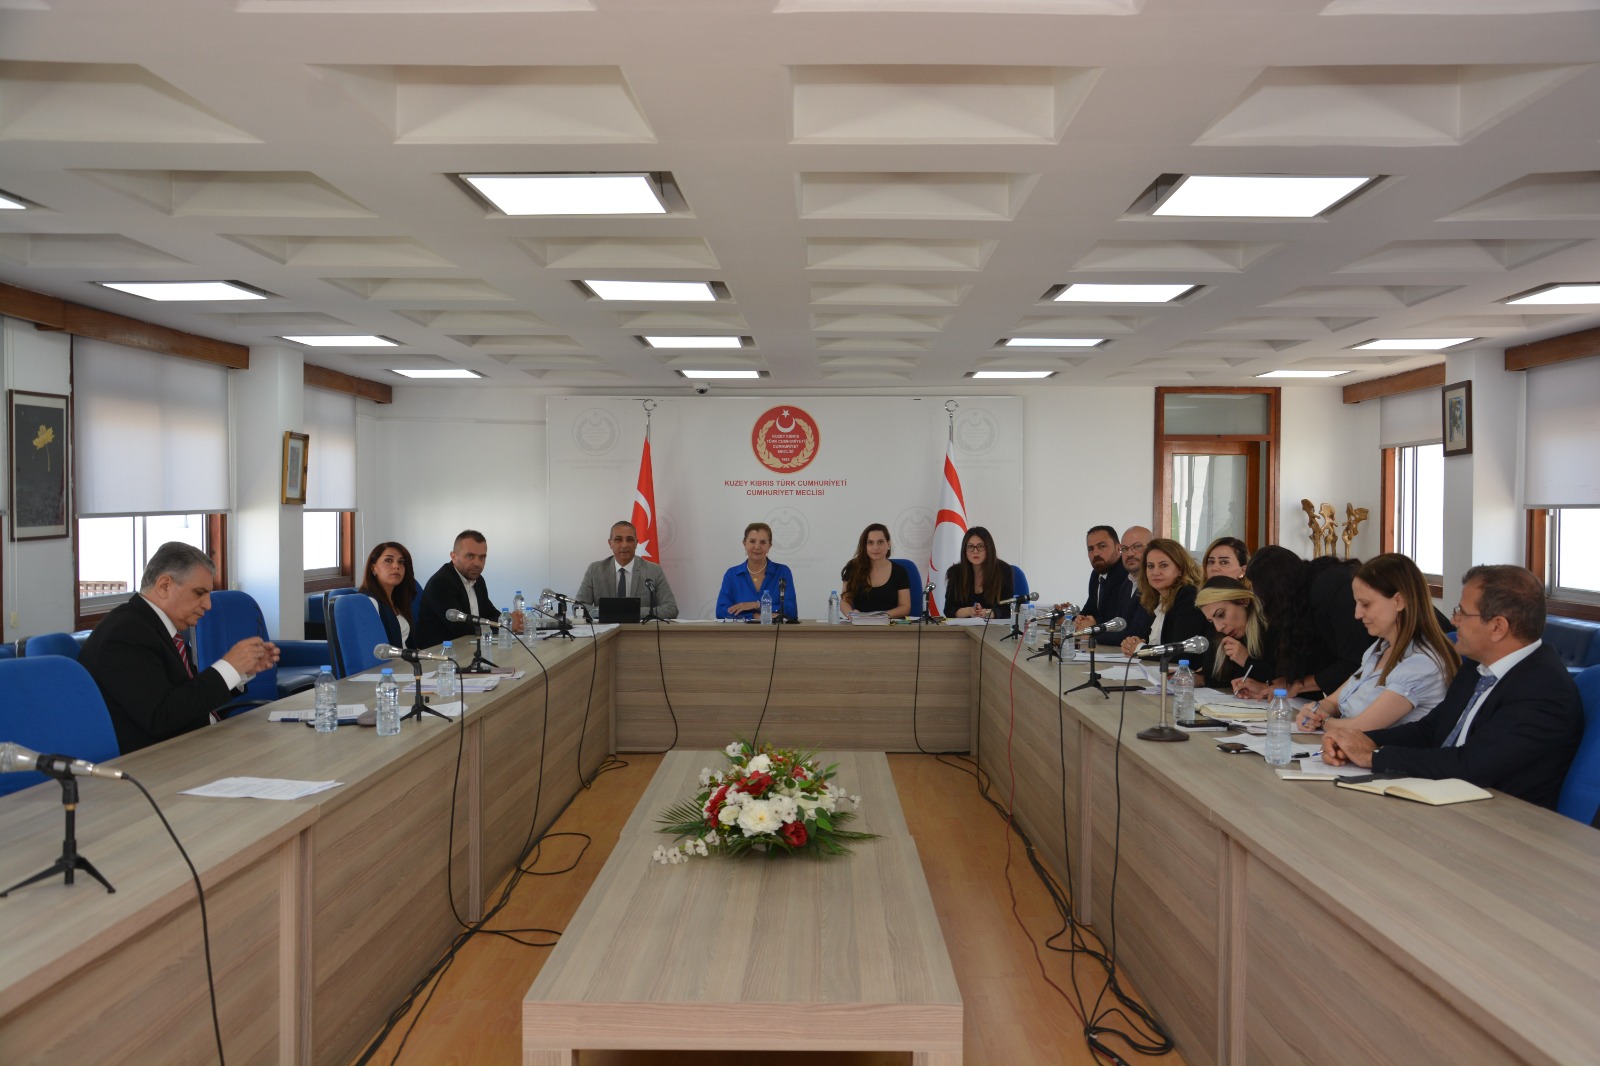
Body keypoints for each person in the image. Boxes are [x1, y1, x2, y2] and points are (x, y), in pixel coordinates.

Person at [1322, 565, 1584, 810]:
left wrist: (1374, 756)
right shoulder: (1476, 666)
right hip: (1450, 797)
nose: (1454, 620)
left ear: (1497, 627)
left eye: (1462, 613)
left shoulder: (1544, 689)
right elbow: (1430, 730)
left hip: (1501, 816)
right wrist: (1362, 741)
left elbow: (1472, 765)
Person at [78, 541, 279, 754]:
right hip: (156, 758)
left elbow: (186, 697)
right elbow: (161, 717)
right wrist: (228, 668)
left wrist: (239, 671)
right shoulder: (124, 634)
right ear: (164, 585)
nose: (208, 605)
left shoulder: (157, 627)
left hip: (195, 743)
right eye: (199, 593)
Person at [1297, 553, 1459, 735]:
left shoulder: (1422, 663)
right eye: (1356, 604)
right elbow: (1333, 702)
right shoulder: (1379, 649)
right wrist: (1315, 710)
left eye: (1365, 604)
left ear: (1399, 601)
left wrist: (1323, 720)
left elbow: (1360, 727)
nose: (1357, 614)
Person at [1232, 545, 1370, 700]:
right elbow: (1312, 665)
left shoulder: (1329, 589)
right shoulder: (1302, 595)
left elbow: (1354, 663)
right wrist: (1269, 686)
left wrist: (1296, 686)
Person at [413, 529, 519, 649]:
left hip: (468, 647)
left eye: (482, 557)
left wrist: (510, 620)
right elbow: (462, 628)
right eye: (470, 556)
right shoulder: (441, 583)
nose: (477, 563)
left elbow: (489, 612)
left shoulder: (478, 580)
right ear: (453, 557)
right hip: (439, 652)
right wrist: (505, 625)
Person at [1120, 538, 1207, 658]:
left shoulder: (1188, 596)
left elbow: (1181, 652)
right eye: (1150, 566)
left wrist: (1140, 649)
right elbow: (1148, 641)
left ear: (1180, 569)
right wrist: (1132, 643)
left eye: (1163, 565)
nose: (1155, 572)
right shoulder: (1156, 598)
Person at [576, 520, 679, 620]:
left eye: (629, 540)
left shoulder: (653, 570)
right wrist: (607, 612)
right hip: (606, 630)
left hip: (640, 630)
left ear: (636, 543)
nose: (624, 545)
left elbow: (671, 608)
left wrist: (632, 612)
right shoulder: (595, 570)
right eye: (618, 539)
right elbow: (578, 606)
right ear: (610, 543)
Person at [1194, 577, 1267, 690]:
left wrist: (1246, 660)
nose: (1218, 628)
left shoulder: (1271, 629)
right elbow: (1226, 680)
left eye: (1221, 615)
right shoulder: (1220, 636)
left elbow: (1281, 682)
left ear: (1244, 601)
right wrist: (1201, 679)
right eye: (1211, 621)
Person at [717, 522, 797, 620]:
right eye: (752, 541)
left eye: (763, 542)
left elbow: (791, 611)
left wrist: (756, 605)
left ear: (769, 546)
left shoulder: (782, 572)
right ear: (744, 543)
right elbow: (721, 611)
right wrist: (754, 616)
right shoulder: (732, 575)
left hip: (775, 630)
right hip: (742, 630)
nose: (757, 547)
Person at [1077, 524, 1136, 645]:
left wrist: (1093, 627)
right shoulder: (1096, 575)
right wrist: (1076, 619)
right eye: (1090, 549)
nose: (1095, 553)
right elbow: (1089, 610)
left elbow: (1116, 621)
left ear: (1118, 548)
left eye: (1102, 546)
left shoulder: (1126, 575)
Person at [839, 522, 911, 618]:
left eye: (880, 542)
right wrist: (851, 615)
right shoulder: (853, 568)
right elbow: (844, 602)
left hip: (889, 624)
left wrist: (882, 616)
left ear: (888, 544)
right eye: (870, 543)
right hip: (860, 623)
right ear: (865, 546)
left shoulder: (899, 571)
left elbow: (905, 607)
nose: (875, 547)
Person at [943, 526, 1015, 619]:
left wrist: (988, 613)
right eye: (970, 546)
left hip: (994, 626)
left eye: (980, 546)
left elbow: (1008, 610)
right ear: (964, 550)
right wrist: (969, 611)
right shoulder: (955, 572)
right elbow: (949, 610)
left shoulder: (1004, 570)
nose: (975, 551)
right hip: (964, 627)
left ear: (989, 548)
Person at [360, 541, 417, 648]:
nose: (396, 566)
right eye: (388, 560)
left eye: (401, 562)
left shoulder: (398, 599)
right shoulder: (369, 602)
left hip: (405, 656)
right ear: (373, 568)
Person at [1118, 525, 1154, 640]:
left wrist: (1093, 634)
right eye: (1124, 548)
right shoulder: (1127, 583)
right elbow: (1119, 625)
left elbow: (1136, 634)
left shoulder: (1154, 585)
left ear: (1152, 549)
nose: (1130, 554)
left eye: (1137, 546)